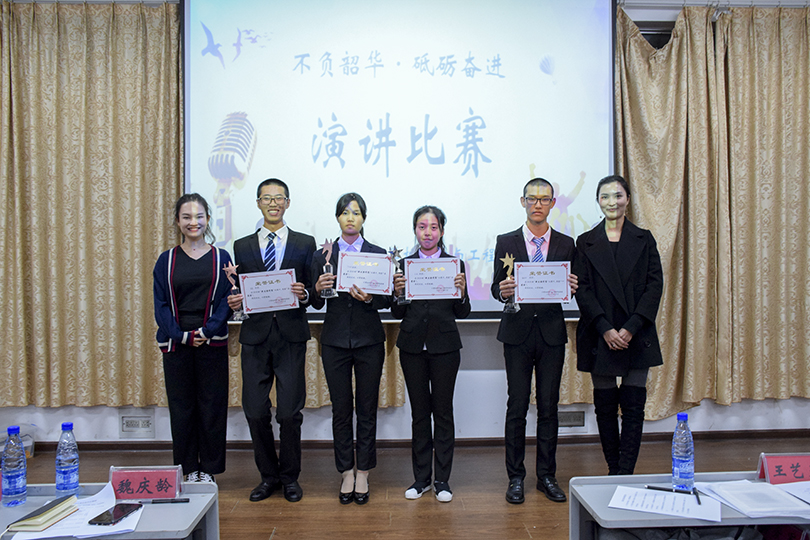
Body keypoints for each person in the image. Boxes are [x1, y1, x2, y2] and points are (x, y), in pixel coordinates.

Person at [227, 178, 317, 503]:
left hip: (290, 336)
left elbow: (314, 295)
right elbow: (240, 291)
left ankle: (290, 477)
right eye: (267, 198)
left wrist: (304, 293)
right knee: (254, 411)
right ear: (258, 203)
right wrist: (235, 302)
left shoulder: (305, 243)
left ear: (287, 203)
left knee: (289, 413)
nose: (273, 203)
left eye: (279, 198)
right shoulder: (242, 246)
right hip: (255, 336)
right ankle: (268, 476)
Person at [491, 178, 578, 505]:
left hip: (551, 333)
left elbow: (572, 288)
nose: (537, 204)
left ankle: (546, 476)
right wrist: (503, 291)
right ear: (523, 201)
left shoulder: (566, 244)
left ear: (553, 203)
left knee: (548, 407)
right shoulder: (506, 241)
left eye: (544, 199)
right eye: (532, 198)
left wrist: (573, 285)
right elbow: (495, 288)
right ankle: (515, 477)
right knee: (516, 406)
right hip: (517, 334)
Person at [573, 174, 663, 476]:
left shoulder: (644, 238)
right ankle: (614, 469)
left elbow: (654, 287)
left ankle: (626, 471)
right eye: (605, 197)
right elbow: (582, 290)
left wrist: (631, 327)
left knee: (634, 407)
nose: (612, 202)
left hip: (636, 333)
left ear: (628, 199)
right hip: (600, 334)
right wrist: (606, 328)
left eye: (618, 196)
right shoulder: (585, 242)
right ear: (598, 202)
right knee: (606, 407)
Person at [309, 193, 390, 505]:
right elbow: (316, 302)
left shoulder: (378, 254)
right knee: (341, 409)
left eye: (356, 213)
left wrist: (370, 298)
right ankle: (345, 471)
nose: (350, 218)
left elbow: (387, 300)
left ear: (363, 218)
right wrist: (317, 289)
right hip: (334, 341)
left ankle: (364, 471)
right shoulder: (323, 255)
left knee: (367, 409)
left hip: (369, 341)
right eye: (345, 213)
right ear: (338, 218)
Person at [392, 205, 470, 503]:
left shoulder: (455, 264)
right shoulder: (403, 265)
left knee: (444, 413)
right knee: (420, 415)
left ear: (442, 231)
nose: (428, 233)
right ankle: (421, 478)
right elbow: (397, 312)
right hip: (412, 347)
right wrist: (398, 293)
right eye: (422, 227)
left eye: (433, 227)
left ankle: (442, 480)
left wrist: (462, 292)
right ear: (415, 230)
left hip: (445, 348)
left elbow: (463, 312)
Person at [153, 193, 231, 484]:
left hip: (212, 341)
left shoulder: (222, 258)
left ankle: (208, 469)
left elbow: (226, 300)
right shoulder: (166, 260)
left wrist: (207, 331)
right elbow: (160, 305)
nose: (193, 222)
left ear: (208, 219)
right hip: (177, 344)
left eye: (199, 216)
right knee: (182, 407)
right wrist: (182, 336)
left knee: (212, 406)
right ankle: (187, 468)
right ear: (177, 221)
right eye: (186, 217)